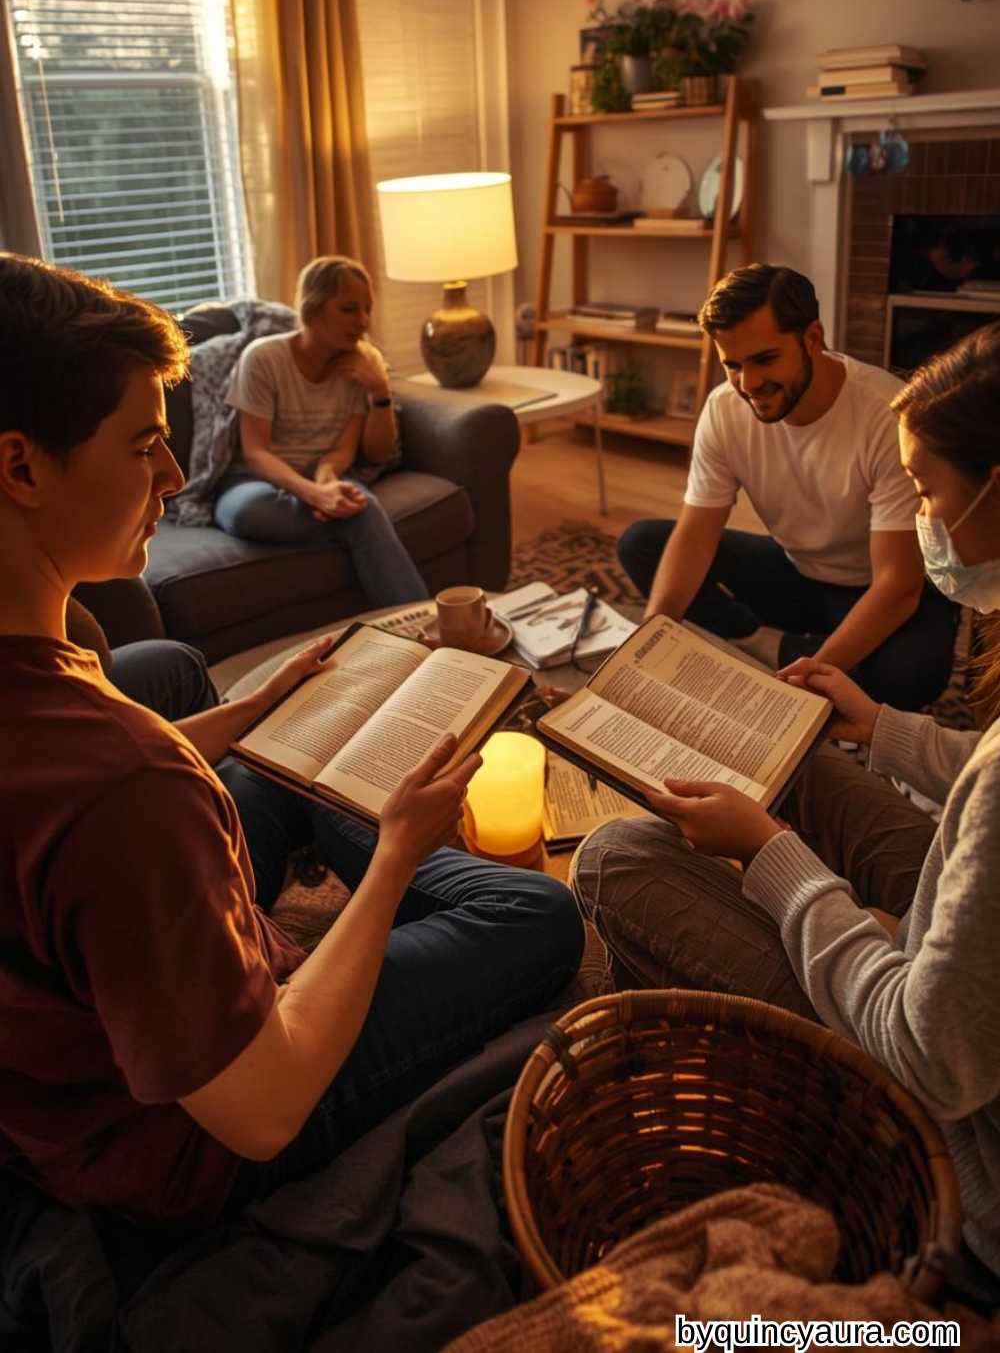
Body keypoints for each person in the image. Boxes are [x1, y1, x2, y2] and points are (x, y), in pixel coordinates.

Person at [0, 253, 583, 1227]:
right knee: (533, 918)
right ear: (20, 465)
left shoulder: (72, 716)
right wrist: (397, 854)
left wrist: (251, 706)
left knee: (269, 772)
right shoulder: (124, 780)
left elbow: (69, 819)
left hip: (86, 1045)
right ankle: (379, 854)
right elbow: (262, 1111)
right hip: (196, 1142)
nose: (177, 473)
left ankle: (338, 815)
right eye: (146, 445)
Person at [572, 321, 1000, 1288]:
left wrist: (774, 857)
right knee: (804, 750)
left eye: (930, 492)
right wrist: (882, 729)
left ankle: (743, 1102)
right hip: (947, 959)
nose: (925, 514)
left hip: (951, 1125)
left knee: (613, 859)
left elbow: (932, 1056)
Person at [618, 263, 957, 710]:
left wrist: (802, 682)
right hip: (801, 574)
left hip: (883, 587)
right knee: (642, 544)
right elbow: (695, 536)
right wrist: (647, 641)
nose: (749, 383)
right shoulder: (724, 410)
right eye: (733, 365)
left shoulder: (887, 415)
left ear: (812, 339)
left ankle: (787, 654)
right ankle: (760, 641)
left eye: (764, 360)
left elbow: (898, 586)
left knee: (912, 675)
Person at [214, 254, 428, 608]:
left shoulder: (362, 364)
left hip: (322, 477)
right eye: (348, 309)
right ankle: (356, 532)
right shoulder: (264, 359)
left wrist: (379, 393)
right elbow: (256, 452)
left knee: (360, 506)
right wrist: (315, 496)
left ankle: (422, 623)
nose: (362, 322)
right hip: (259, 483)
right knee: (245, 512)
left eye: (366, 309)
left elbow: (354, 451)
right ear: (313, 307)